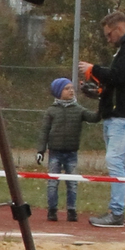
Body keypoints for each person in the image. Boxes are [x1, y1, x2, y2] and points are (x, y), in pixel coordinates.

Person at [81, 10, 125, 228]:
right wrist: (99, 92)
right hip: (115, 115)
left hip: (124, 116)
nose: (108, 39)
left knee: (114, 160)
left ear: (119, 28)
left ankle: (117, 212)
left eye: (109, 34)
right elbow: (117, 83)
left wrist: (93, 69)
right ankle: (115, 211)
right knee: (116, 161)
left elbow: (117, 76)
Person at [38, 76, 86, 221]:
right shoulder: (51, 111)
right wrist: (40, 151)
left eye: (72, 88)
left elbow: (94, 117)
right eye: (67, 88)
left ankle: (72, 211)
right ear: (58, 92)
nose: (71, 91)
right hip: (55, 153)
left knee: (72, 183)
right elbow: (44, 131)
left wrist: (102, 100)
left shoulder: (78, 109)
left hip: (71, 153)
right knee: (53, 183)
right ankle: (52, 210)